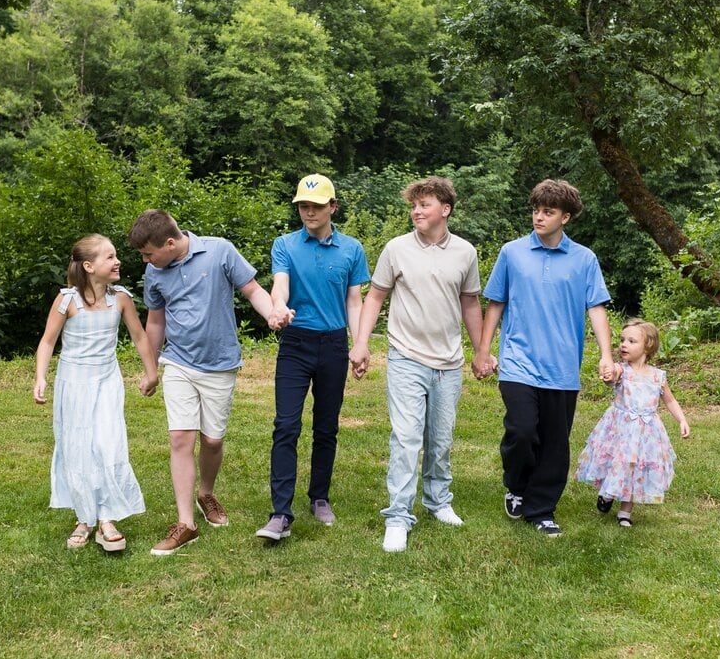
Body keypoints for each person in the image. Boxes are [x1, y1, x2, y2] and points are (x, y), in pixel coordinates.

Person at [129, 209, 289, 556]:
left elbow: (253, 290)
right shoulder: (155, 271)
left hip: (220, 364)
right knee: (180, 439)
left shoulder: (219, 251)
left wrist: (273, 313)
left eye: (148, 253)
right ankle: (186, 524)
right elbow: (155, 321)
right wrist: (151, 368)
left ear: (169, 243)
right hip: (179, 362)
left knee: (212, 440)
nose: (145, 261)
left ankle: (206, 493)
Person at [348, 176, 486, 553]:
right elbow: (375, 297)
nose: (416, 211)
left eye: (424, 205)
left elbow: (470, 302)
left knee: (440, 438)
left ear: (446, 209)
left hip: (449, 363)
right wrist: (361, 343)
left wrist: (481, 351)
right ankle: (397, 516)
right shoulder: (396, 249)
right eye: (413, 205)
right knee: (407, 437)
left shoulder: (465, 252)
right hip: (406, 356)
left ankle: (438, 501)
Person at [471, 179, 614, 538]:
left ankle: (541, 508)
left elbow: (596, 308)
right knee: (521, 430)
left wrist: (606, 355)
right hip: (518, 361)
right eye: (536, 210)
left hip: (562, 368)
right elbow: (496, 303)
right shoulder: (512, 253)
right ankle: (517, 486)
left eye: (548, 212)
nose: (539, 217)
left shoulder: (584, 259)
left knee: (554, 444)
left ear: (565, 217)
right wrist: (483, 350)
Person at [256, 174, 370, 542]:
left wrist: (360, 344)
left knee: (326, 427)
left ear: (332, 207)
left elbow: (354, 301)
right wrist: (278, 307)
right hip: (296, 343)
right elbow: (280, 285)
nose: (309, 212)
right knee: (286, 425)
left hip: (333, 345)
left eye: (317, 206)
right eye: (304, 206)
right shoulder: (285, 244)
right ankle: (280, 513)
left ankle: (319, 497)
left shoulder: (351, 249)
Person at [34, 234, 160, 552]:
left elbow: (140, 337)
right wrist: (41, 377)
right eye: (110, 257)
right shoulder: (67, 300)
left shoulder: (121, 299)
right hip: (73, 384)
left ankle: (106, 517)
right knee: (78, 448)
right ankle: (84, 518)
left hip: (107, 381)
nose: (117, 261)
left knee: (108, 444)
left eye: (116, 256)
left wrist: (152, 372)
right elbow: (48, 341)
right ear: (89, 266)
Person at [575, 319, 690, 527]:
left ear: (648, 346)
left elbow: (670, 400)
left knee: (636, 469)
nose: (624, 345)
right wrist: (608, 376)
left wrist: (681, 419)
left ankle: (625, 512)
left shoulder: (658, 376)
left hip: (646, 434)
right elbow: (612, 377)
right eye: (622, 340)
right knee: (617, 463)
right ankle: (608, 493)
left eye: (631, 341)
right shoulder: (622, 370)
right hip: (621, 430)